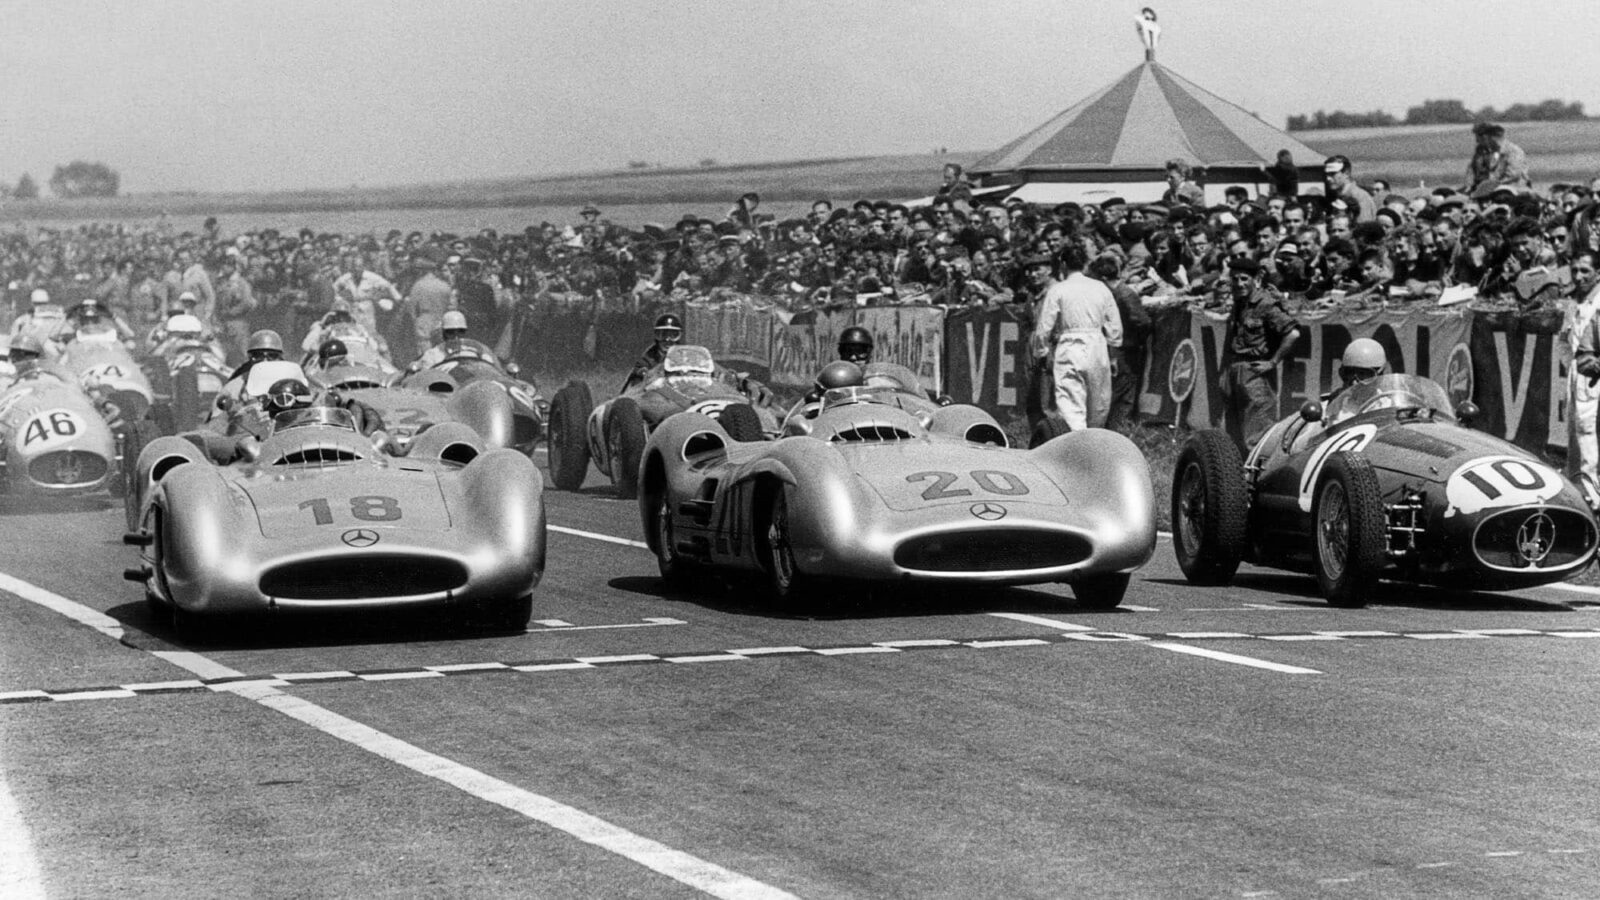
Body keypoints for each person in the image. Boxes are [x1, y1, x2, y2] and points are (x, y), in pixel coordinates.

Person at [1032, 244, 1123, 430]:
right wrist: (1113, 353)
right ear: (1084, 264)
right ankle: (1092, 439)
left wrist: (1041, 352)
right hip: (1097, 347)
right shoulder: (1100, 288)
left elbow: (1044, 327)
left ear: (1063, 265)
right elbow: (1114, 324)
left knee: (1071, 402)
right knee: (1098, 403)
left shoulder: (1058, 290)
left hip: (1070, 346)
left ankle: (1077, 441)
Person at [1218, 257, 1302, 450]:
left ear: (1255, 279)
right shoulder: (1240, 303)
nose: (1239, 284)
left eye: (1244, 279)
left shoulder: (1265, 304)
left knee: (1258, 434)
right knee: (1234, 434)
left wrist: (1272, 362)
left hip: (1255, 372)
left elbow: (1293, 333)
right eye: (1235, 279)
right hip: (1235, 370)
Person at [1564, 252, 1600, 490]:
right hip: (1577, 376)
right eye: (1574, 270)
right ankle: (1577, 489)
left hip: (1595, 378)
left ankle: (1591, 492)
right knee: (1575, 432)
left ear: (1598, 273)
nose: (1578, 277)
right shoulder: (1573, 302)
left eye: (1585, 271)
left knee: (1589, 433)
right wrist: (1572, 366)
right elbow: (1563, 340)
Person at [407, 311, 497, 373]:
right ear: (443, 333)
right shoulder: (432, 355)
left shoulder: (478, 351)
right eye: (450, 332)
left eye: (460, 331)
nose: (456, 336)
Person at [1466, 122, 1532, 200]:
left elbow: (1513, 175)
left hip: (1512, 189)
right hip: (1488, 189)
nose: (1477, 142)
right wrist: (1470, 185)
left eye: (1478, 139)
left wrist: (1490, 186)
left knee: (1500, 197)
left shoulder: (1513, 151)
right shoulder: (1483, 151)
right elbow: (1472, 169)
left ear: (1487, 137)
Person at [623, 313, 684, 390]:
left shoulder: (685, 357)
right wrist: (643, 374)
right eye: (662, 335)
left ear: (679, 337)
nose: (667, 340)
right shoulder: (648, 359)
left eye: (673, 335)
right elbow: (637, 389)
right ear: (656, 336)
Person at [1323, 155, 1377, 222]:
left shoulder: (1360, 197)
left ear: (1346, 173)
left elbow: (1364, 226)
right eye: (1326, 174)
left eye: (1332, 174)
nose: (1328, 178)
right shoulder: (1333, 196)